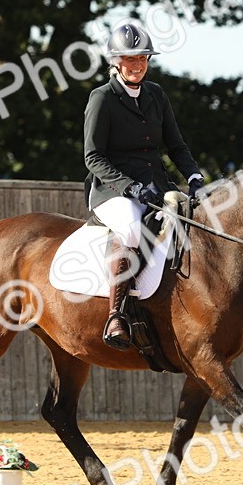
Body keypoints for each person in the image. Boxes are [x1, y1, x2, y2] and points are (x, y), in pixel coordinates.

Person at [83, 23, 206, 350]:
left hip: (157, 185)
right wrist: (129, 188)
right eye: (129, 59)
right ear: (115, 62)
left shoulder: (156, 95)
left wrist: (193, 175)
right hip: (112, 190)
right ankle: (116, 315)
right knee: (131, 228)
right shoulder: (102, 98)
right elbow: (93, 157)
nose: (137, 65)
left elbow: (176, 146)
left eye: (142, 58)